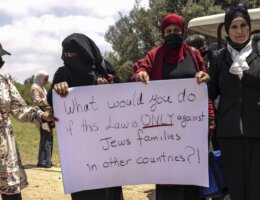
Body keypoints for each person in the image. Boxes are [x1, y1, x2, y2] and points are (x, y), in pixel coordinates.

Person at [132, 13, 215, 200]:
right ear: (163, 33)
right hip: (164, 131)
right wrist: (141, 73)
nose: (173, 34)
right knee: (167, 177)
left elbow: (204, 89)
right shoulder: (154, 55)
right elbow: (140, 69)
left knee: (192, 179)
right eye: (168, 31)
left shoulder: (193, 54)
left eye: (176, 30)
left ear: (182, 31)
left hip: (191, 127)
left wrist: (210, 118)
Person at [47, 33, 123, 200]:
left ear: (86, 52)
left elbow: (123, 96)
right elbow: (52, 100)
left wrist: (109, 87)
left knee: (110, 191)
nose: (69, 58)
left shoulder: (105, 68)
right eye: (66, 55)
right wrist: (58, 90)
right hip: (81, 151)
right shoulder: (62, 73)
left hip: (108, 144)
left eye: (73, 54)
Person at [207, 3, 260, 200]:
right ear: (228, 30)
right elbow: (210, 92)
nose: (240, 31)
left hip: (258, 133)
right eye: (234, 27)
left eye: (243, 26)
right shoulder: (219, 58)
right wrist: (200, 80)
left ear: (249, 27)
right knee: (236, 189)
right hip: (229, 135)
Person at [0, 43, 55, 200]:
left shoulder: (5, 81)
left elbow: (19, 110)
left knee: (11, 191)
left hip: (4, 145)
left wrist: (43, 115)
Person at [30, 70, 54, 168]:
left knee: (48, 135)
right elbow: (36, 100)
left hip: (47, 114)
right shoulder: (35, 87)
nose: (46, 81)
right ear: (40, 78)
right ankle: (43, 161)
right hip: (41, 115)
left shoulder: (41, 87)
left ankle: (47, 160)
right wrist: (48, 101)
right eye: (45, 78)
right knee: (45, 135)